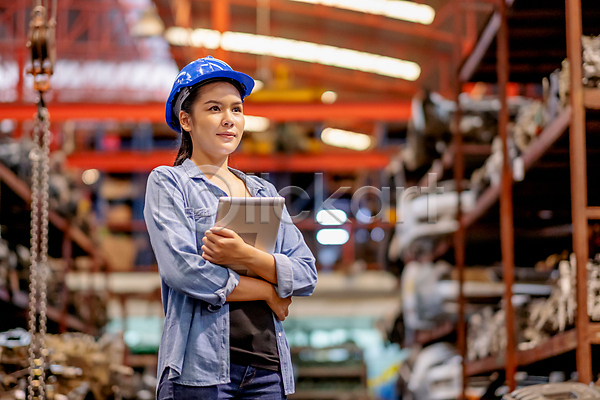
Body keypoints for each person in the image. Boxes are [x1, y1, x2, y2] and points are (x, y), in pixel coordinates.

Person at [144, 56, 318, 400]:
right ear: (186, 120)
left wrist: (245, 255)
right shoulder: (170, 183)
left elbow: (306, 273)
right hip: (199, 372)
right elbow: (185, 271)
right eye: (214, 109)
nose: (229, 120)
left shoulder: (262, 191)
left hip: (267, 372)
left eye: (236, 109)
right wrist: (267, 290)